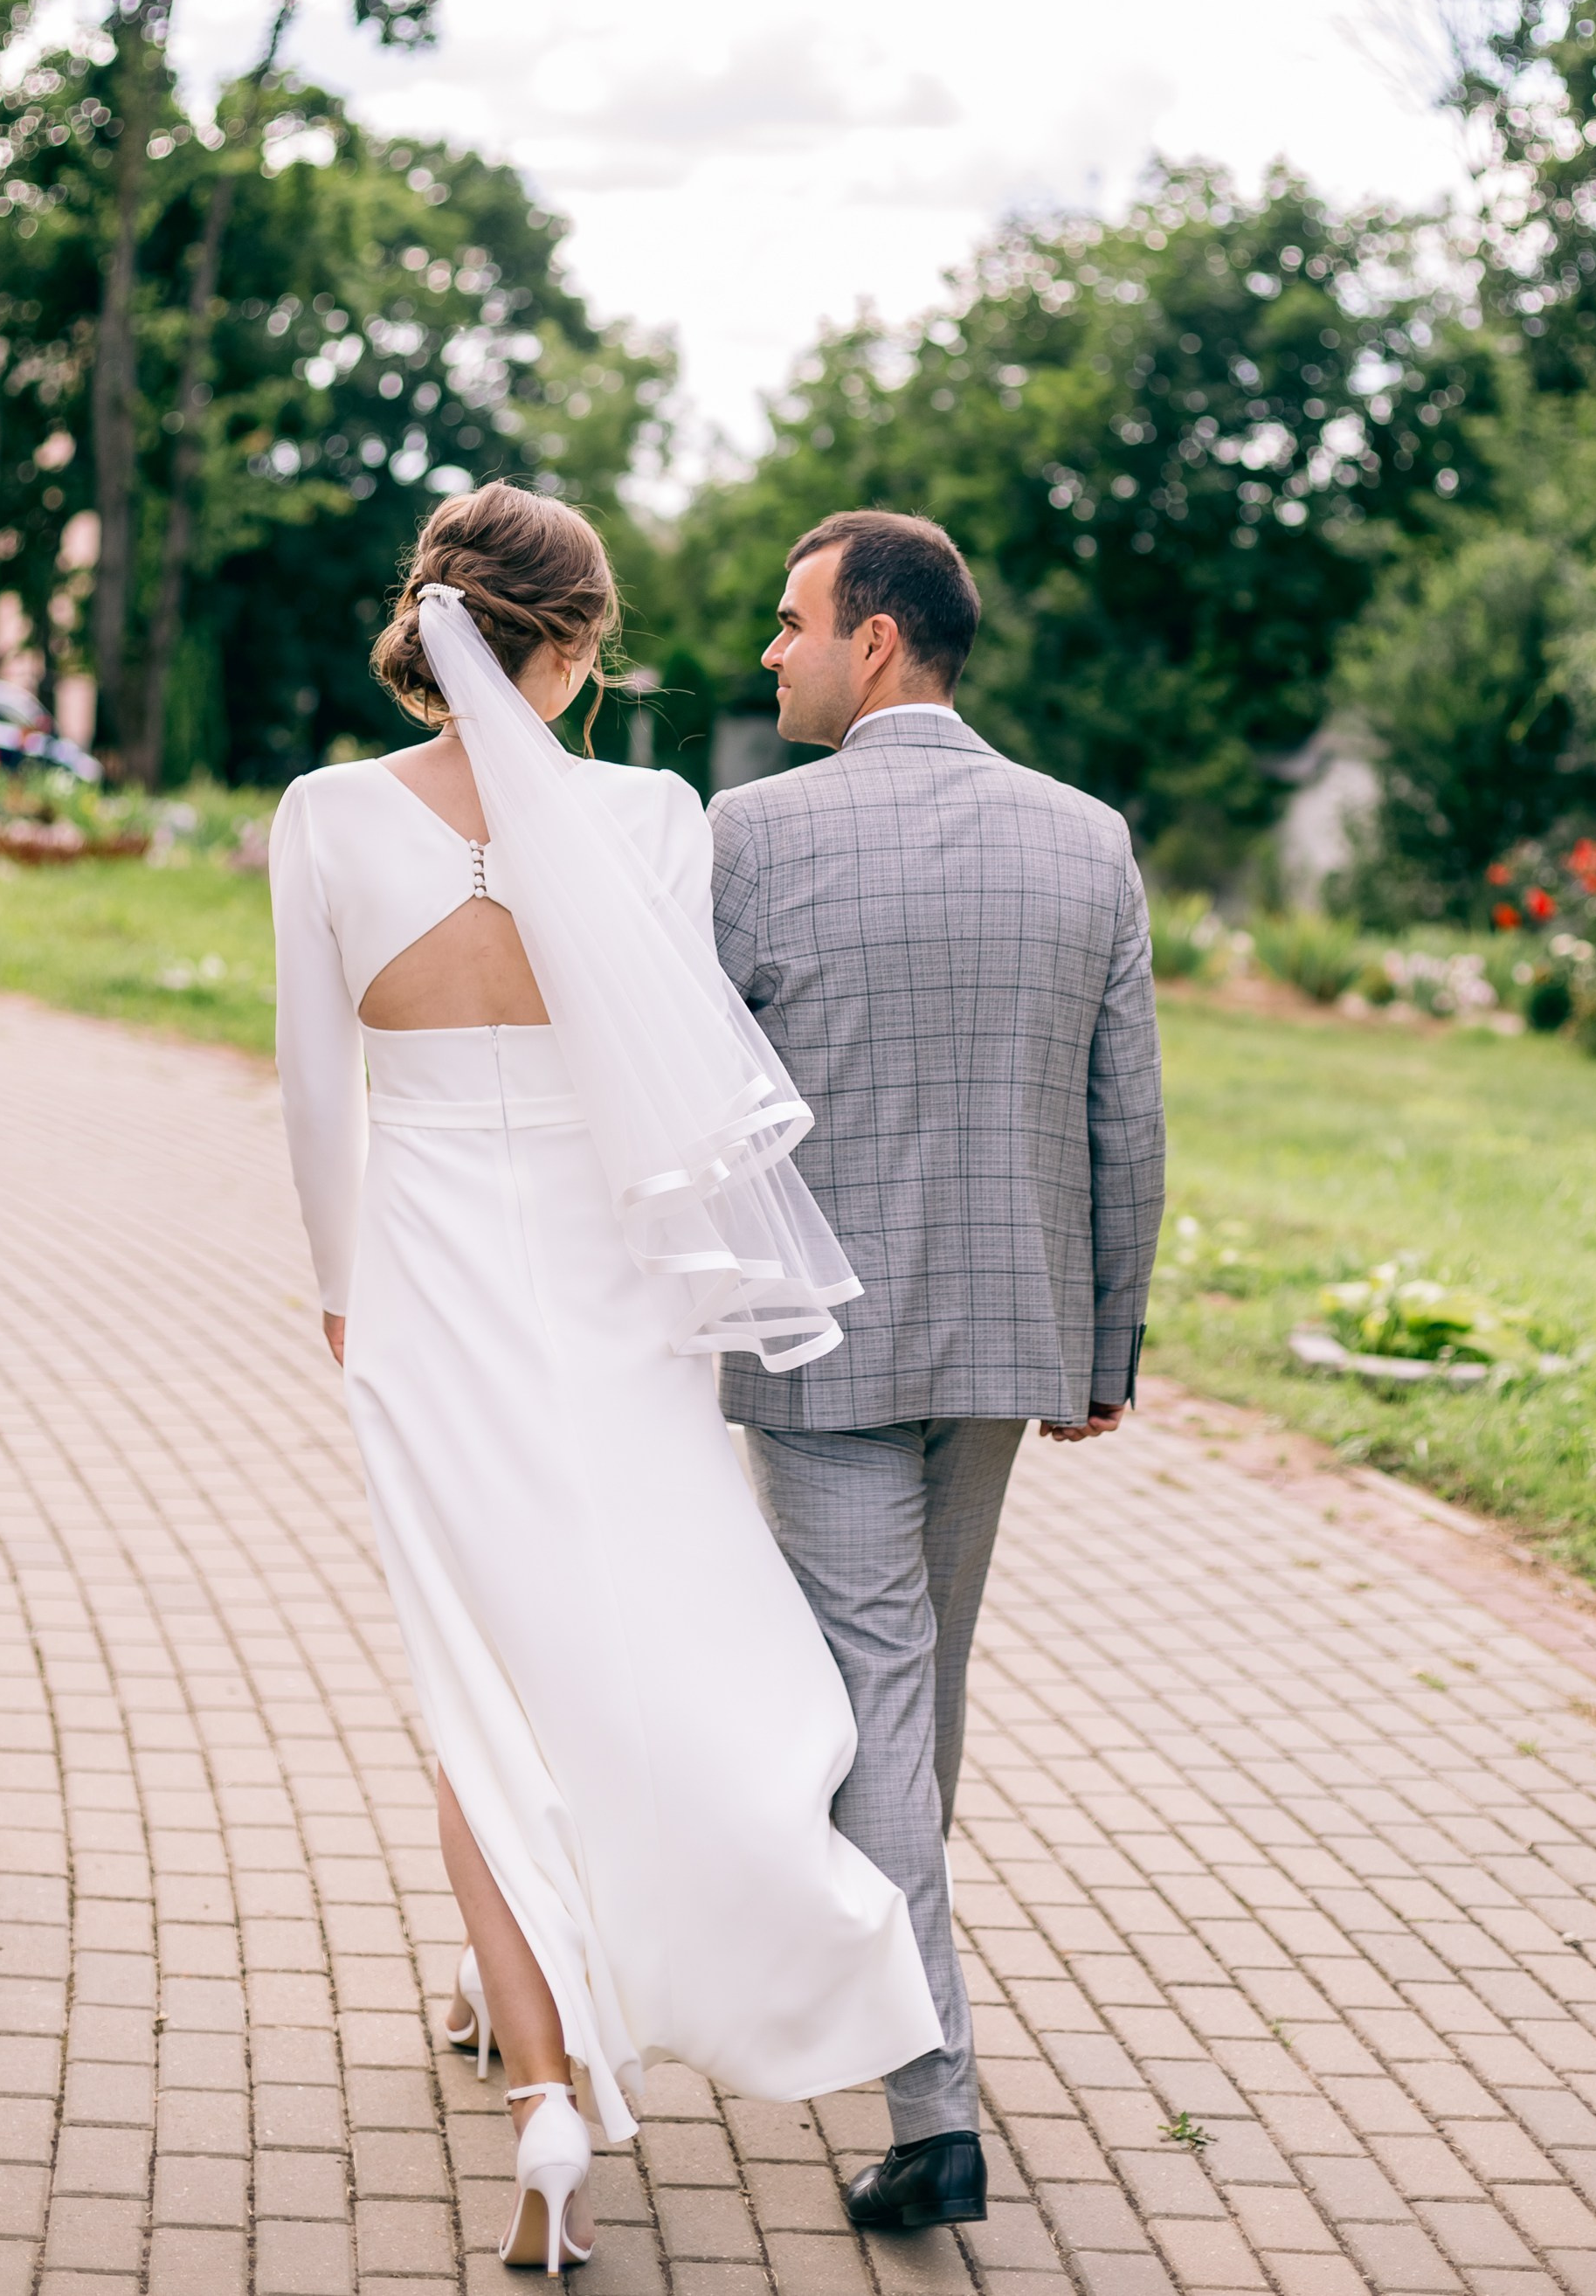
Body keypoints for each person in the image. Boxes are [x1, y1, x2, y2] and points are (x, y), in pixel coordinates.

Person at [268, 483, 939, 2279]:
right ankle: (694, 1952)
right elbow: (665, 1064)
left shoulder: (328, 818)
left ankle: (545, 2096)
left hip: (425, 1286)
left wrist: (341, 1297)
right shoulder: (651, 816)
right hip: (620, 1294)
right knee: (636, 1637)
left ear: (438, 627)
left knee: (473, 1677)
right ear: (573, 644)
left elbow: (316, 1099)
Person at [708, 509, 1166, 2235]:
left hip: (821, 1347)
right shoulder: (1087, 839)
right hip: (1003, 1337)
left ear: (876, 637)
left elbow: (698, 1102)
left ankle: (933, 2104)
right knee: (917, 1684)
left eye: (792, 619)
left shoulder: (748, 835)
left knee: (886, 1690)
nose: (776, 650)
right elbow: (1130, 1111)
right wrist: (1104, 1336)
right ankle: (895, 2000)